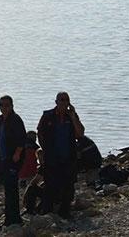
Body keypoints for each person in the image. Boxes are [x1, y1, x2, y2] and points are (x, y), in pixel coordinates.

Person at [37, 91, 85, 219]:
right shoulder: (47, 116)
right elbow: (40, 132)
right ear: (56, 102)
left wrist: (73, 116)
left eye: (66, 100)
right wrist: (45, 150)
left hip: (68, 157)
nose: (63, 102)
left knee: (68, 186)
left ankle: (65, 212)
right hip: (52, 157)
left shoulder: (72, 117)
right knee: (50, 185)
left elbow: (80, 134)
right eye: (61, 100)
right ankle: (46, 211)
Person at [0, 95, 27, 226]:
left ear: (12, 106)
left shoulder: (15, 119)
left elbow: (22, 138)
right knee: (8, 188)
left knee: (12, 189)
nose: (4, 107)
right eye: (2, 105)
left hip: (13, 159)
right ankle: (9, 217)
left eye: (6, 105)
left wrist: (17, 153)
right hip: (4, 159)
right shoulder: (2, 120)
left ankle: (14, 219)